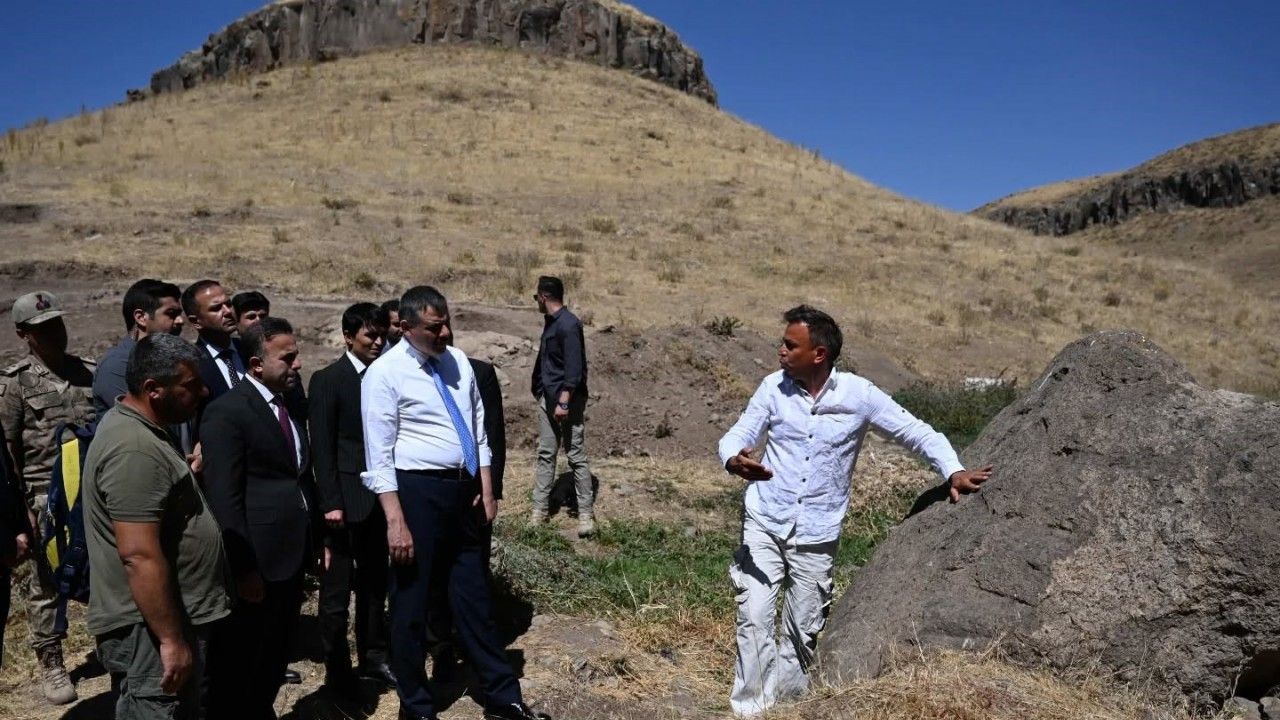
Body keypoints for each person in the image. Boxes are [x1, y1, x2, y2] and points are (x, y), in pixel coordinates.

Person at [717, 305, 993, 717]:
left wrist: (952, 470)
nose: (780, 351)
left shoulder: (858, 395)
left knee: (801, 630)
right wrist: (733, 460)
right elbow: (740, 432)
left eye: (790, 345)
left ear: (819, 354)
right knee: (754, 616)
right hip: (765, 519)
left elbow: (914, 431)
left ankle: (786, 709)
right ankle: (750, 711)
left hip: (817, 531)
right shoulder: (772, 388)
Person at [362, 286, 548, 720]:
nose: (445, 333)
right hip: (417, 493)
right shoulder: (384, 374)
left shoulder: (458, 362)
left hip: (464, 493)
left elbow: (477, 430)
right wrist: (395, 520)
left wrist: (486, 487)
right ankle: (417, 706)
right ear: (406, 328)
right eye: (434, 327)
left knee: (474, 598)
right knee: (411, 606)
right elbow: (379, 454)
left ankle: (503, 698)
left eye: (447, 323)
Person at [82, 334, 231, 718]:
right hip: (148, 628)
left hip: (165, 616)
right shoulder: (133, 448)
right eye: (190, 385)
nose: (203, 392)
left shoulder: (144, 429)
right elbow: (138, 555)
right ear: (153, 389)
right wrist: (169, 639)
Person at [201, 318, 315, 719]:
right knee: (240, 660)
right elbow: (225, 498)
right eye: (288, 357)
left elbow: (298, 476)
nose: (297, 364)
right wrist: (244, 568)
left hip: (290, 556)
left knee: (274, 653)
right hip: (256, 561)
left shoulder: (288, 404)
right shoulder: (227, 413)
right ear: (256, 364)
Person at [0, 291, 97, 705]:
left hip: (92, 492)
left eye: (58, 323)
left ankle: (110, 641)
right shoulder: (14, 384)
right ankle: (51, 660)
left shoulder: (89, 372)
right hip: (45, 497)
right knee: (45, 583)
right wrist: (20, 510)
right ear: (24, 334)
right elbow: (7, 451)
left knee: (103, 572)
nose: (56, 333)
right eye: (44, 328)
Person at [309, 303, 394, 698]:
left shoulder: (387, 376)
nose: (378, 342)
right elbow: (323, 448)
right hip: (343, 503)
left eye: (382, 335)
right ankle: (338, 671)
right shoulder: (329, 380)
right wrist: (331, 502)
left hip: (380, 500)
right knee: (336, 595)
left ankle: (374, 658)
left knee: (375, 587)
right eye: (369, 336)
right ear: (348, 337)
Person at [528, 276, 593, 537]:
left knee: (575, 455)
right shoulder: (552, 322)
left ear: (544, 297)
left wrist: (564, 400)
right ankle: (539, 511)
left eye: (537, 297)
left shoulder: (568, 324)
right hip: (548, 398)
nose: (536, 302)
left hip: (567, 401)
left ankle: (585, 515)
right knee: (546, 453)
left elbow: (574, 368)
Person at [93, 279, 186, 415]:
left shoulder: (171, 358)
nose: (180, 321)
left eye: (179, 314)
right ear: (141, 317)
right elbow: (141, 417)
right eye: (171, 314)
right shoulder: (118, 365)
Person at [181, 280, 243, 410]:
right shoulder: (192, 365)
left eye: (228, 304)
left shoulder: (250, 350)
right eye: (216, 308)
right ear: (196, 321)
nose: (228, 311)